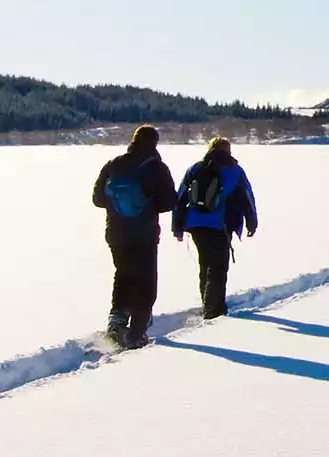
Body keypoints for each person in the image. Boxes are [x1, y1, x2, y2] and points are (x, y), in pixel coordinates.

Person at [92, 124, 178, 348]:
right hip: (144, 233)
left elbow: (98, 199)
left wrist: (119, 204)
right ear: (155, 143)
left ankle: (116, 322)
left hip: (116, 233)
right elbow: (169, 202)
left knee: (123, 275)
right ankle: (136, 333)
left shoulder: (114, 164)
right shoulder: (157, 168)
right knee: (146, 281)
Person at [172, 137, 259, 320]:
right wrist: (252, 222)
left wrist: (177, 227)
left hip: (195, 224)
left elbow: (179, 199)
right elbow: (246, 198)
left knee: (205, 264)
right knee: (218, 267)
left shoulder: (195, 168)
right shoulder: (235, 171)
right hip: (220, 225)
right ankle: (214, 311)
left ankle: (209, 303)